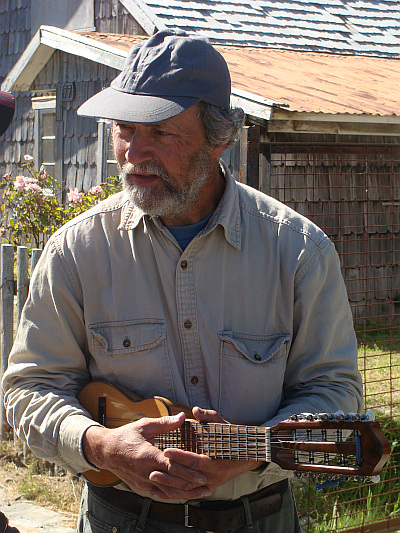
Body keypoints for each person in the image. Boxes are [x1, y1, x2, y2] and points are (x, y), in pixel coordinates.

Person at [2, 30, 363, 533]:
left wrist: (253, 451)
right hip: (121, 519)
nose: (133, 153)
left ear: (218, 139)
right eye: (125, 129)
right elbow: (30, 389)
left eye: (161, 133)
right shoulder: (77, 252)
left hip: (259, 519)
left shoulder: (298, 251)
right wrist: (101, 446)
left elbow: (336, 392)